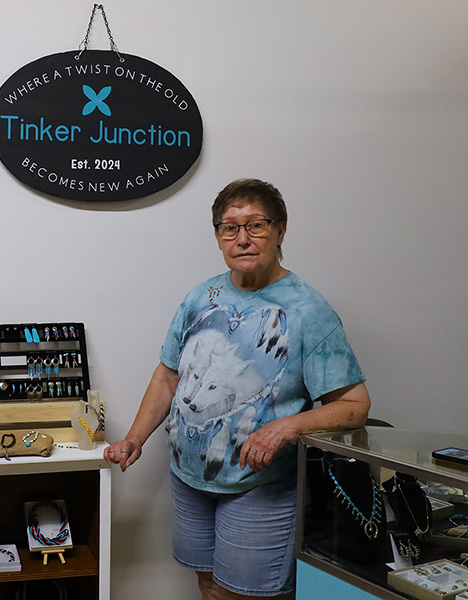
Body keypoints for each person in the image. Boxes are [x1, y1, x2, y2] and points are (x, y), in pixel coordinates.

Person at [104, 178, 370, 600]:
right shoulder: (200, 297)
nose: (242, 238)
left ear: (281, 231)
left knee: (240, 595)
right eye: (230, 228)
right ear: (218, 237)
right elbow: (168, 376)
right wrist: (135, 438)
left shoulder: (308, 310)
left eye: (256, 225)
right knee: (208, 586)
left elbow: (354, 406)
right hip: (190, 476)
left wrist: (286, 427)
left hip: (260, 484)